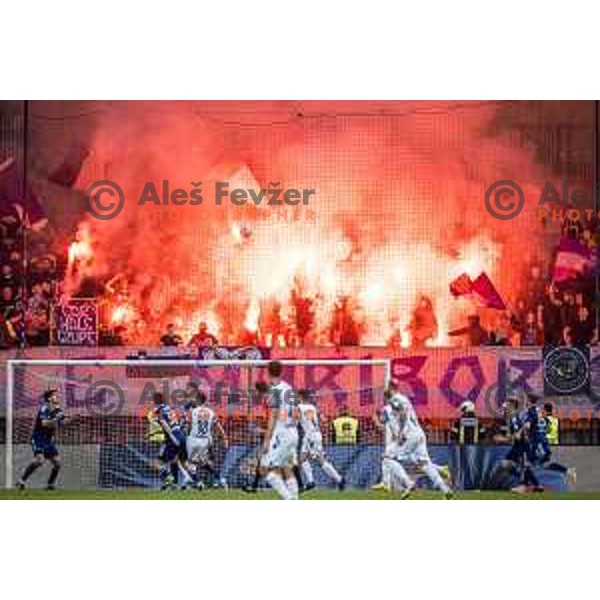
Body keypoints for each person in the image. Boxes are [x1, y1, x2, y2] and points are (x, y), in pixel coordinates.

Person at [382, 384, 453, 499]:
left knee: (387, 458)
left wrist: (401, 433)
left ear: (388, 395)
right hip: (419, 433)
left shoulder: (394, 400)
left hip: (409, 435)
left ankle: (408, 483)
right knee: (424, 464)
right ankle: (445, 489)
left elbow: (403, 414)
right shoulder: (404, 398)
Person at [16, 389, 78, 490]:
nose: (57, 397)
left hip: (49, 441)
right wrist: (56, 419)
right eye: (54, 395)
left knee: (57, 463)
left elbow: (63, 423)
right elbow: (45, 423)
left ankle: (50, 485)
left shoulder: (58, 410)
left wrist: (72, 419)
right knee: (39, 461)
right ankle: (21, 481)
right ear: (49, 398)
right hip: (38, 438)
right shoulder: (44, 409)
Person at [258, 361, 300, 500]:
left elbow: (273, 415)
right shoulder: (289, 388)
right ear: (281, 372)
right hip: (293, 431)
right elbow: (296, 411)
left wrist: (267, 439)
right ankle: (294, 498)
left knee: (265, 470)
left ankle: (289, 500)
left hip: (281, 432)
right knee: (286, 468)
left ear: (268, 372)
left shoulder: (274, 389)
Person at [297, 389, 345, 491]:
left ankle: (339, 479)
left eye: (297, 396)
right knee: (302, 459)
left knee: (320, 461)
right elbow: (322, 419)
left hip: (311, 436)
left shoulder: (300, 407)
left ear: (300, 396)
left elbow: (295, 420)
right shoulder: (312, 407)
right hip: (312, 435)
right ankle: (311, 482)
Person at [186, 387, 228, 489]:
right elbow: (218, 427)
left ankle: (198, 482)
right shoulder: (210, 412)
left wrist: (187, 434)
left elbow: (189, 426)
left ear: (198, 399)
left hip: (194, 439)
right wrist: (225, 438)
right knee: (203, 462)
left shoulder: (193, 411)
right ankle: (219, 479)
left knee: (189, 464)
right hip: (205, 440)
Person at [153, 392, 191, 489]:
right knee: (178, 461)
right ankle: (186, 479)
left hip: (173, 437)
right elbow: (182, 420)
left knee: (157, 462)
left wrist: (171, 436)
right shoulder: (171, 409)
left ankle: (168, 477)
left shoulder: (158, 410)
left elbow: (163, 423)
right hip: (182, 436)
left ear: (155, 401)